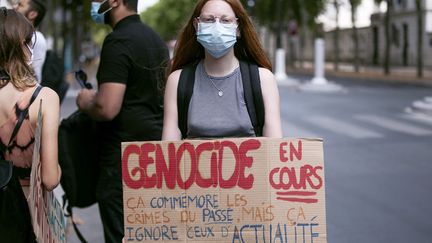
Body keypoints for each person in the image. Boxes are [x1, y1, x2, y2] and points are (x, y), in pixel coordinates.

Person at [76, 0, 169, 242]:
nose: (94, 5)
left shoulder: (118, 41)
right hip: (154, 156)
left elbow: (107, 107)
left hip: (122, 162)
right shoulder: (155, 39)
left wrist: (86, 101)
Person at [162, 0, 283, 140]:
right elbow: (169, 152)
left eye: (226, 20)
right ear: (197, 26)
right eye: (209, 20)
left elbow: (275, 149)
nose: (217, 27)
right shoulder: (177, 81)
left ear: (238, 28)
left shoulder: (263, 79)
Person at [0, 7, 61, 240]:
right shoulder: (44, 98)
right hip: (28, 211)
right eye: (28, 41)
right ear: (19, 46)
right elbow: (50, 179)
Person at [14, 0, 47, 82]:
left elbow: (34, 76)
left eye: (20, 5)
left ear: (32, 14)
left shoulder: (37, 38)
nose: (15, 7)